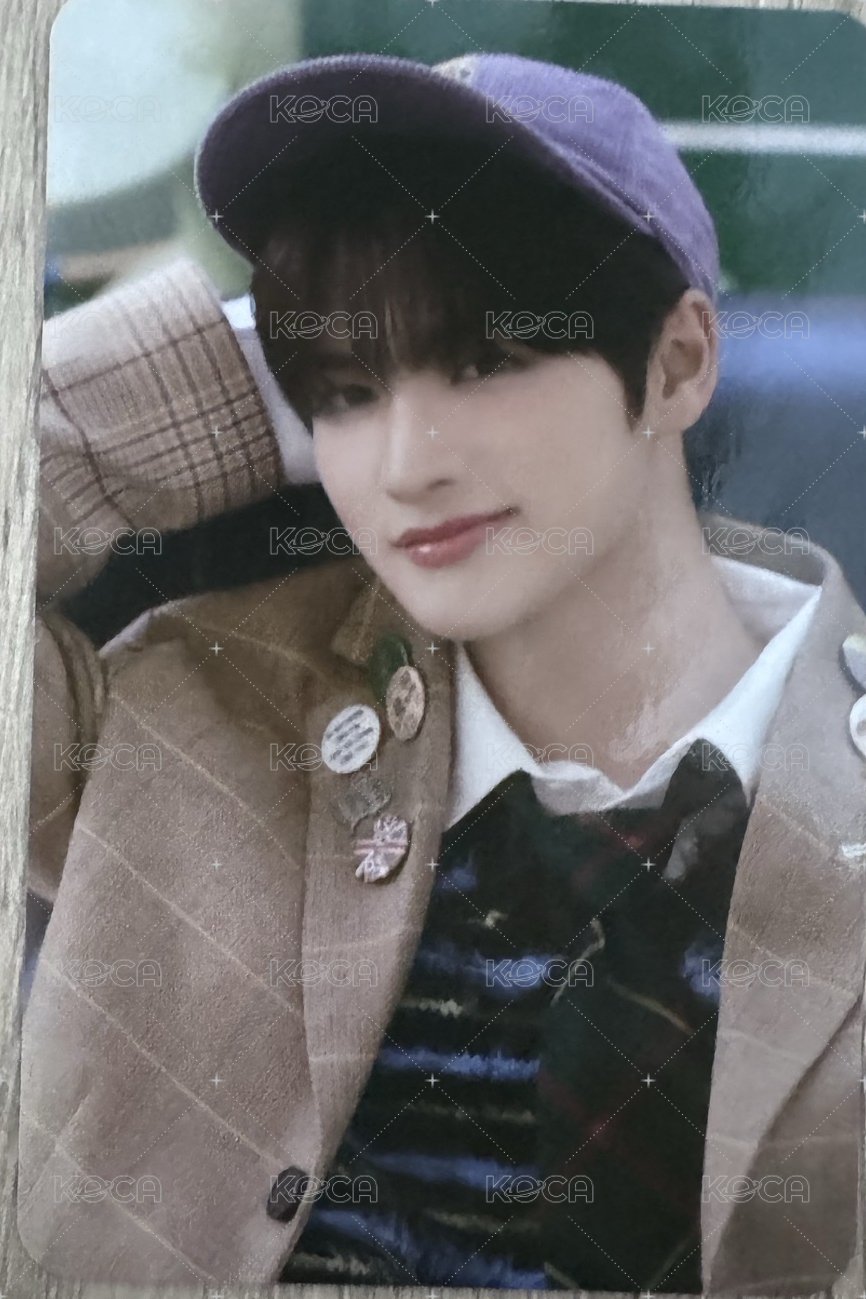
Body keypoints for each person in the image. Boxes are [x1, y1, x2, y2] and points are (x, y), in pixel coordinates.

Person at [18, 51, 866, 1295]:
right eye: (343, 396)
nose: (405, 466)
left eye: (485, 361)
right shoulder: (185, 707)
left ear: (678, 362)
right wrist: (235, 370)